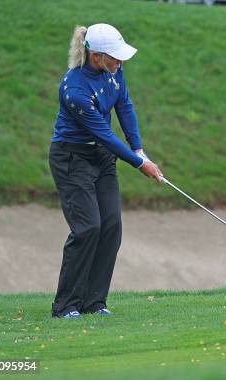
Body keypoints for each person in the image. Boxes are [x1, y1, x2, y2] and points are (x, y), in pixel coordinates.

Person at [49, 24, 163, 318]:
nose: (120, 63)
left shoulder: (114, 73)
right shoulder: (75, 90)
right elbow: (105, 135)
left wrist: (139, 149)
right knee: (88, 228)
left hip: (101, 158)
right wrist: (141, 165)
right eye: (114, 58)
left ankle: (94, 303)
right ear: (96, 57)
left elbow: (124, 106)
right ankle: (66, 306)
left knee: (111, 228)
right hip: (72, 159)